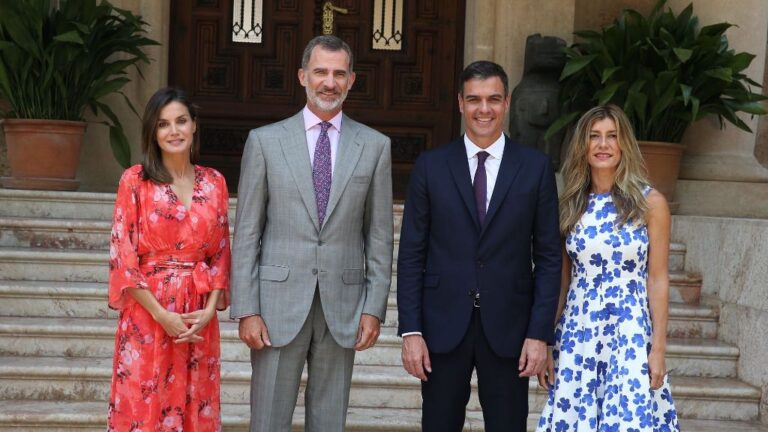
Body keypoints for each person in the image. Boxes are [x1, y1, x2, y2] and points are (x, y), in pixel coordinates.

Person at [230, 34, 393, 432]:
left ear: (352, 80)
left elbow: (379, 236)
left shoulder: (375, 146)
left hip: (344, 305)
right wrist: (246, 308)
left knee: (329, 422)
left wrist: (373, 307)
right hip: (275, 306)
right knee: (267, 420)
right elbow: (248, 231)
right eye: (320, 72)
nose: (329, 82)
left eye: (339, 74)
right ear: (303, 76)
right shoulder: (265, 142)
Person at [397, 60, 561, 432]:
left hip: (511, 331)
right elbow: (411, 255)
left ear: (506, 103)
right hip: (442, 328)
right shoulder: (430, 165)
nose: (483, 109)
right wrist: (411, 331)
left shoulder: (535, 168)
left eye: (492, 99)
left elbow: (549, 258)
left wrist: (539, 334)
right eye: (473, 99)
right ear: (460, 103)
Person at [536, 105, 680, 431]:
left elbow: (657, 279)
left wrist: (658, 349)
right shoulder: (570, 205)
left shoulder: (650, 203)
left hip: (630, 331)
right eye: (594, 137)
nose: (603, 145)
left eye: (612, 137)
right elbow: (561, 281)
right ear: (583, 146)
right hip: (578, 331)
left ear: (624, 144)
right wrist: (546, 341)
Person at [107, 87, 231, 431]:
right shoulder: (135, 180)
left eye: (181, 121)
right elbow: (123, 256)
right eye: (163, 124)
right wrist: (162, 315)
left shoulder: (215, 182)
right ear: (153, 132)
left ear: (194, 126)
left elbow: (221, 253)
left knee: (197, 401)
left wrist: (208, 312)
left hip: (197, 316)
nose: (173, 131)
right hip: (148, 314)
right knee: (145, 406)